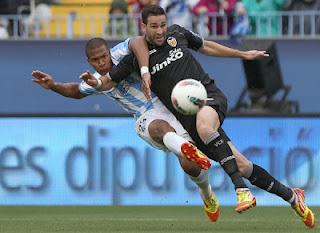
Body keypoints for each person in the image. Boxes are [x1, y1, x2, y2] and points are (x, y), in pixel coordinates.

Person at [87, 5, 315, 228]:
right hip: (188, 121)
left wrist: (241, 54)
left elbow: (207, 47)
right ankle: (293, 196)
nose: (160, 31)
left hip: (208, 97)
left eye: (163, 25)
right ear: (143, 26)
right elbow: (109, 80)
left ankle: (241, 190)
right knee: (243, 165)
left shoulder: (177, 33)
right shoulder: (135, 60)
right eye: (154, 26)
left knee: (206, 127)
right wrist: (95, 82)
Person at [31, 37, 220, 222]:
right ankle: (185, 147)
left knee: (190, 165)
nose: (102, 62)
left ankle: (206, 192)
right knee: (159, 128)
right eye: (95, 60)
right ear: (89, 62)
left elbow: (137, 41)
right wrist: (53, 85)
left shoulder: (120, 53)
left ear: (108, 52)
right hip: (143, 116)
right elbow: (76, 92)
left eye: (103, 56)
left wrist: (145, 70)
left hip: (167, 105)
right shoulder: (95, 80)